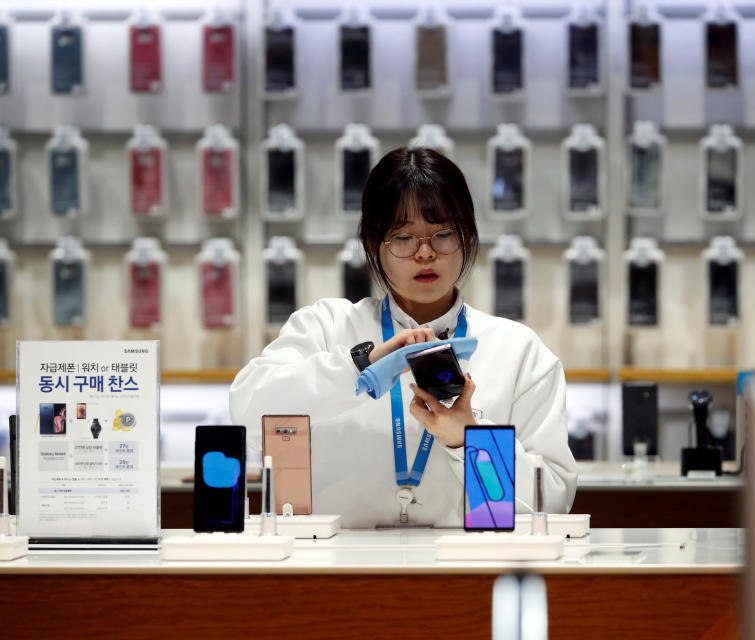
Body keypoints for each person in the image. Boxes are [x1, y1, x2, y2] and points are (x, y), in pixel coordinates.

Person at [230, 148, 579, 528]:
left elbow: (552, 502)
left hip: (463, 569)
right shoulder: (327, 327)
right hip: (335, 569)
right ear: (372, 245)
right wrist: (357, 368)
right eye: (403, 237)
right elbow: (248, 417)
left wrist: (469, 441)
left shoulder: (517, 350)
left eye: (443, 233)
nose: (425, 252)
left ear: (468, 237)